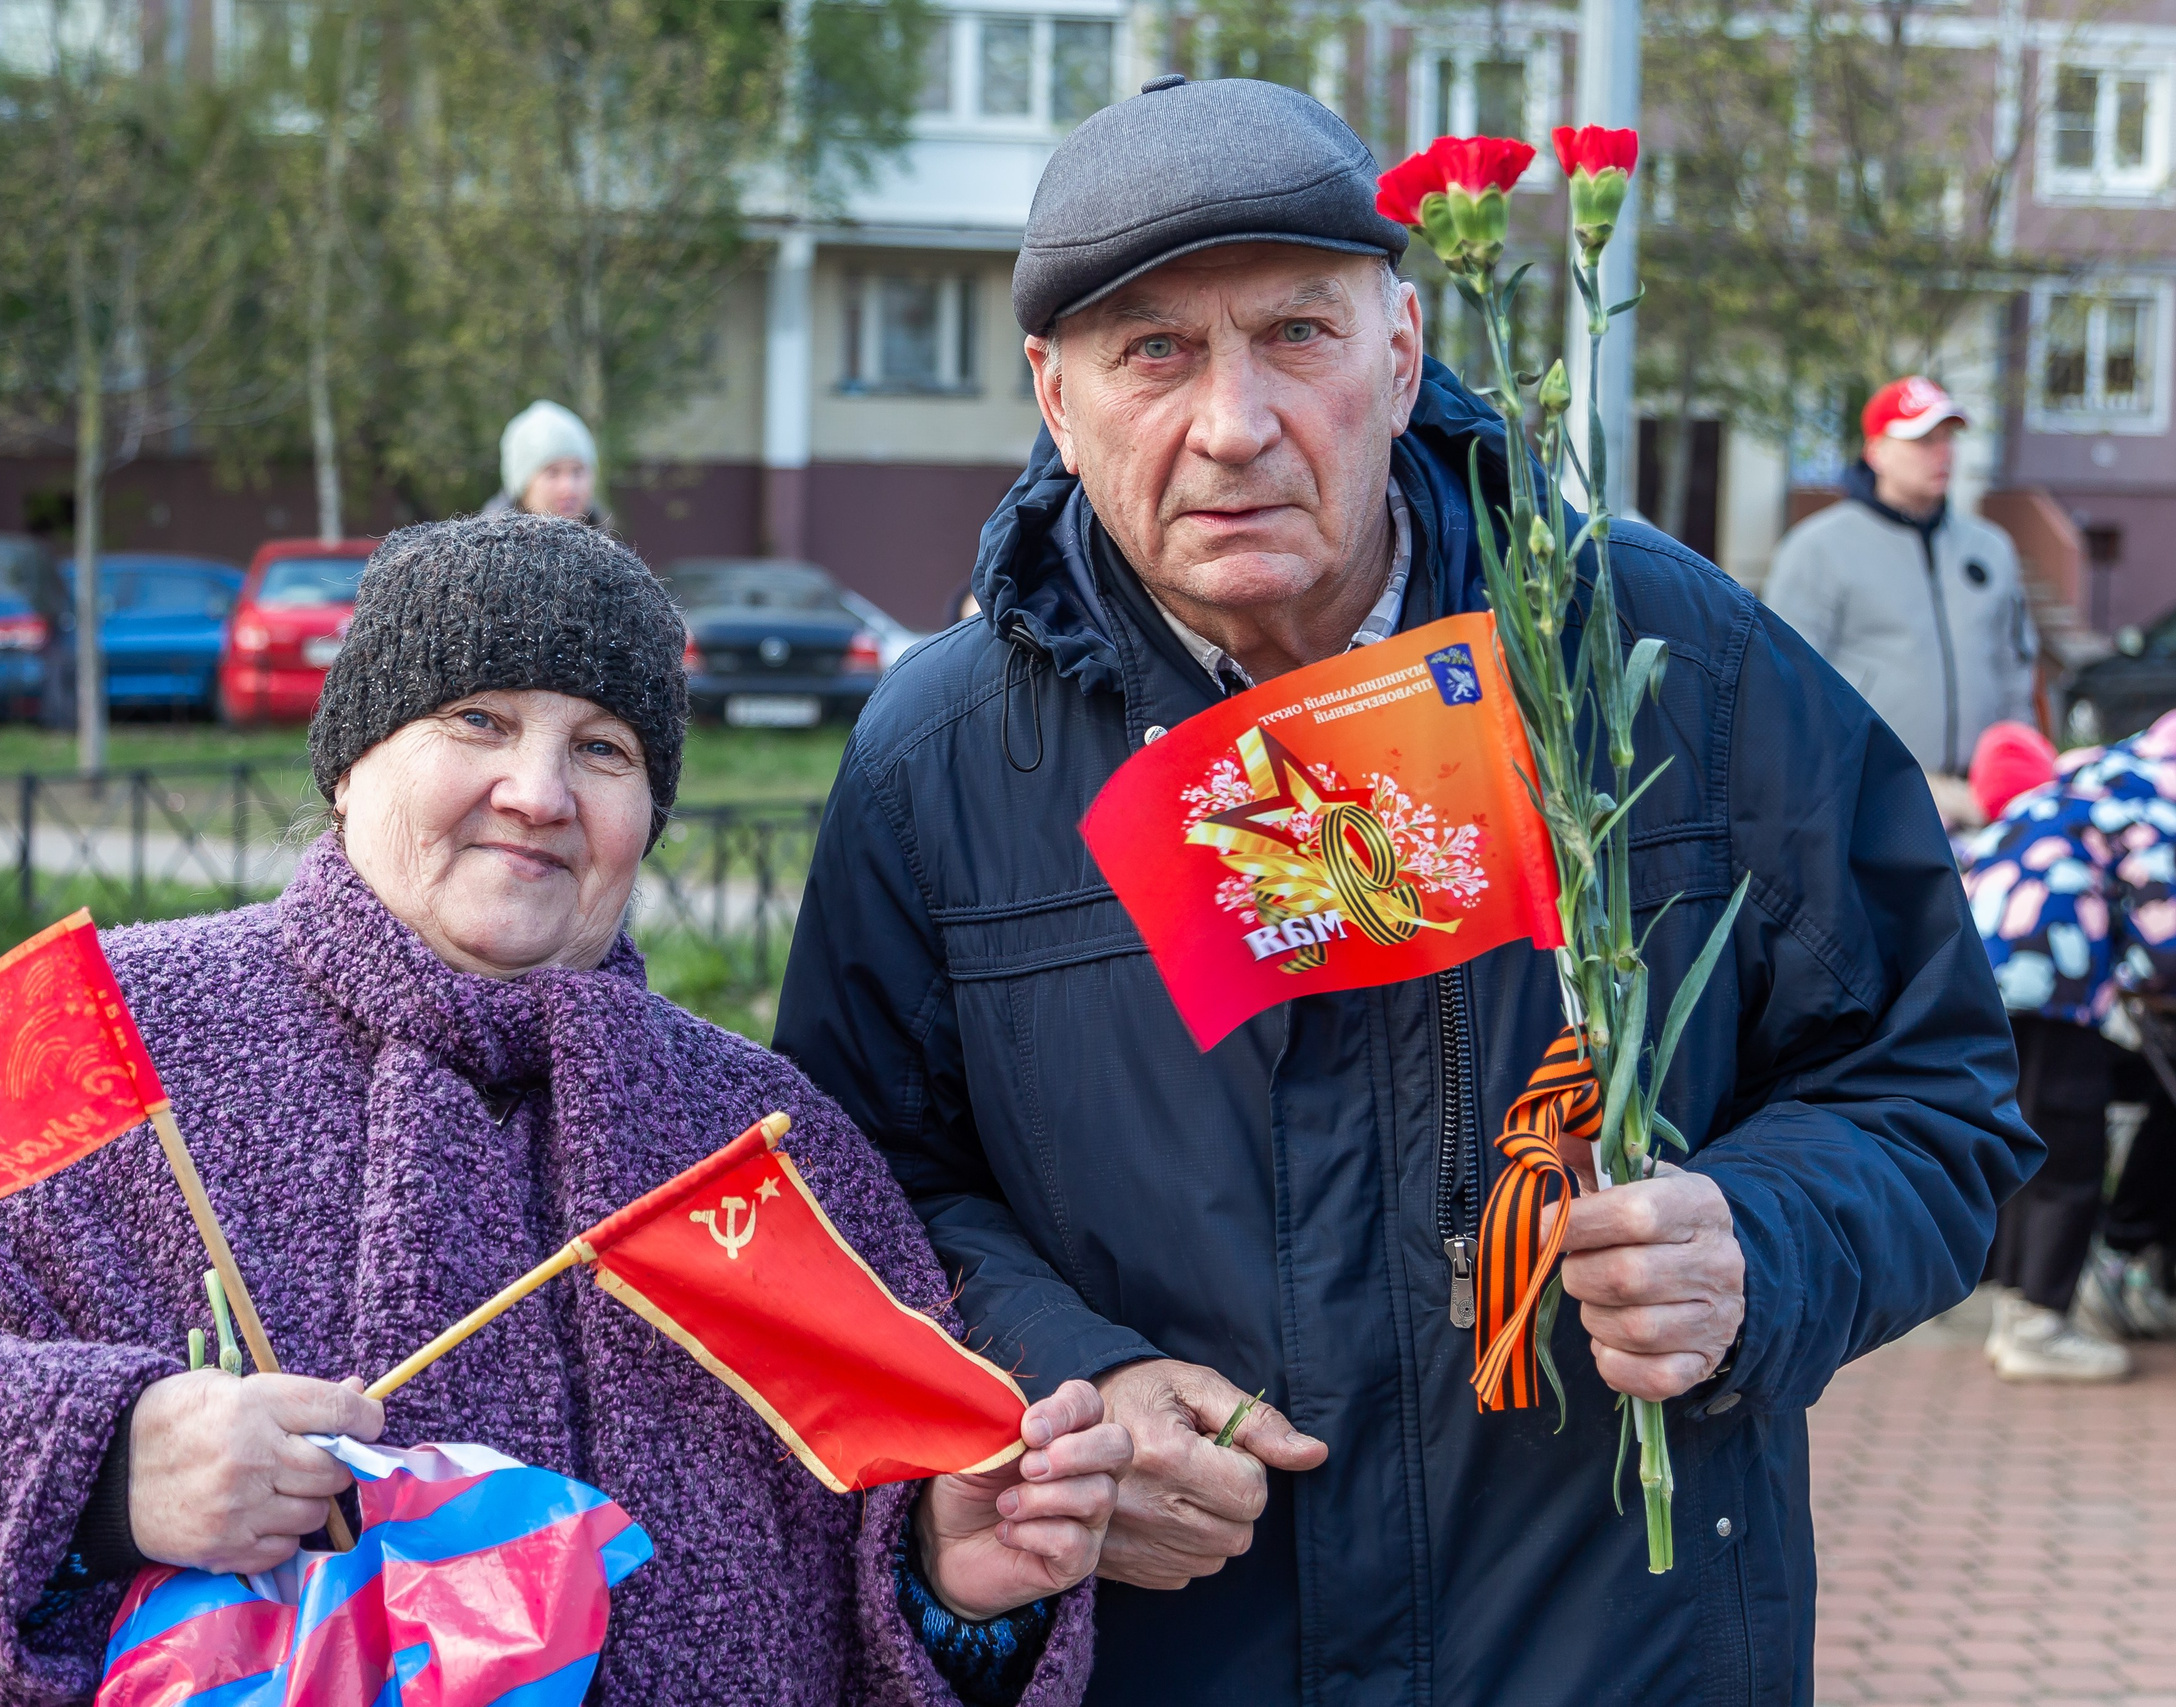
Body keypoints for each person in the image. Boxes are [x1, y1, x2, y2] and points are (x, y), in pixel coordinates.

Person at [774, 76, 2037, 1707]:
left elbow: (1934, 1093)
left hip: (1617, 1652)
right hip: (1179, 1654)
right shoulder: (937, 762)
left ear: (1404, 346)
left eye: (1295, 332)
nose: (1231, 423)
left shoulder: (1661, 660)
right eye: (1151, 350)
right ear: (1054, 395)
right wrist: (1064, 1379)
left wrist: (1765, 1240)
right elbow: (860, 1203)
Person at [0, 514, 1131, 1706]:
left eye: (602, 748)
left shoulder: (759, 1143)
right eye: (478, 718)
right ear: (352, 760)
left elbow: (892, 1552)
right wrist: (105, 1460)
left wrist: (953, 1592)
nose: (538, 790)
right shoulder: (114, 1036)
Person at [1962, 713, 2176, 1376]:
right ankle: (2037, 1325)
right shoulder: (2153, 790)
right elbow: (2164, 925)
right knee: (2066, 1140)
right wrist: (2151, 977)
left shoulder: (2099, 770)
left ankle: (2018, 1315)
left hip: (1984, 959)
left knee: (2033, 1133)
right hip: (2048, 967)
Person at [1764, 375, 2039, 829]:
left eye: (1948, 438)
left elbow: (2015, 670)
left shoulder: (1991, 549)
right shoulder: (1817, 549)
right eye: (1922, 440)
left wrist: (2016, 769)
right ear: (1876, 451)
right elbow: (1789, 688)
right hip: (1872, 803)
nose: (1942, 452)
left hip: (1987, 806)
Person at [485, 399, 603, 524]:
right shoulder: (483, 542)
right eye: (553, 472)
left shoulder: (611, 539)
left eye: (577, 471)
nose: (568, 487)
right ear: (523, 484)